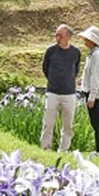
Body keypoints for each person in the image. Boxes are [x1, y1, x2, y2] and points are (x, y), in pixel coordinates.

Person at [40, 24, 82, 152]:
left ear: (68, 37)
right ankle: (45, 148)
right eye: (56, 35)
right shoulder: (51, 51)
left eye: (60, 35)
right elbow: (45, 68)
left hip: (69, 93)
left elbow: (76, 70)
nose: (57, 38)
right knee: (48, 123)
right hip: (53, 92)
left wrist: (69, 81)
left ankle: (64, 150)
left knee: (68, 125)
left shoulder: (76, 52)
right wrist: (53, 80)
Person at [79, 26, 99, 153]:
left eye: (87, 39)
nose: (85, 40)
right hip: (97, 93)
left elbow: (95, 77)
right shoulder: (95, 54)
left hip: (95, 95)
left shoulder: (96, 56)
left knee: (97, 124)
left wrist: (91, 96)